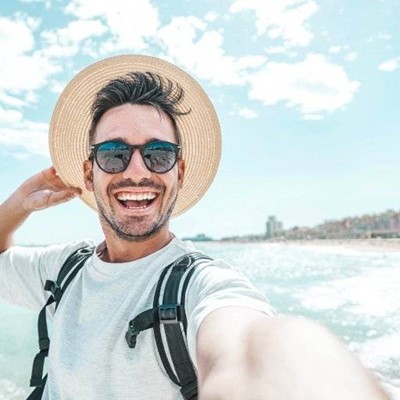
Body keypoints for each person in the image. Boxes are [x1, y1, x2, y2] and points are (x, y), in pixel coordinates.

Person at [0, 55, 390, 400]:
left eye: (158, 154)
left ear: (179, 171)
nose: (137, 171)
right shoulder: (65, 269)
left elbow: (248, 347)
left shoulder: (201, 285)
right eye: (114, 154)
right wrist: (19, 203)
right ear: (90, 173)